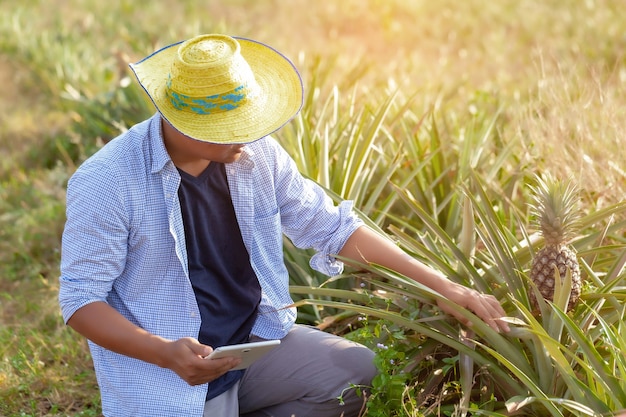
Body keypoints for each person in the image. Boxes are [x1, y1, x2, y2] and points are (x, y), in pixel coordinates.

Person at [59, 34, 509, 417]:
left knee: (360, 376)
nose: (247, 134)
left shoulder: (258, 157)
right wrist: (163, 352)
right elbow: (81, 300)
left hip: (250, 350)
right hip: (164, 377)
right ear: (182, 120)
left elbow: (334, 229)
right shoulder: (108, 181)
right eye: (229, 126)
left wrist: (444, 288)